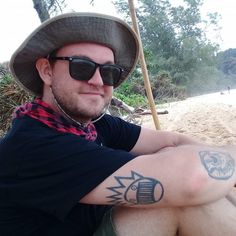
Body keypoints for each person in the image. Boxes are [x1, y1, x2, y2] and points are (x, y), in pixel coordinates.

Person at [0, 12, 235, 236]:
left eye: (110, 71)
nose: (98, 81)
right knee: (180, 201)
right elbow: (192, 180)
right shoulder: (32, 146)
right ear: (47, 71)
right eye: (81, 66)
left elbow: (172, 140)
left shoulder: (94, 125)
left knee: (173, 157)